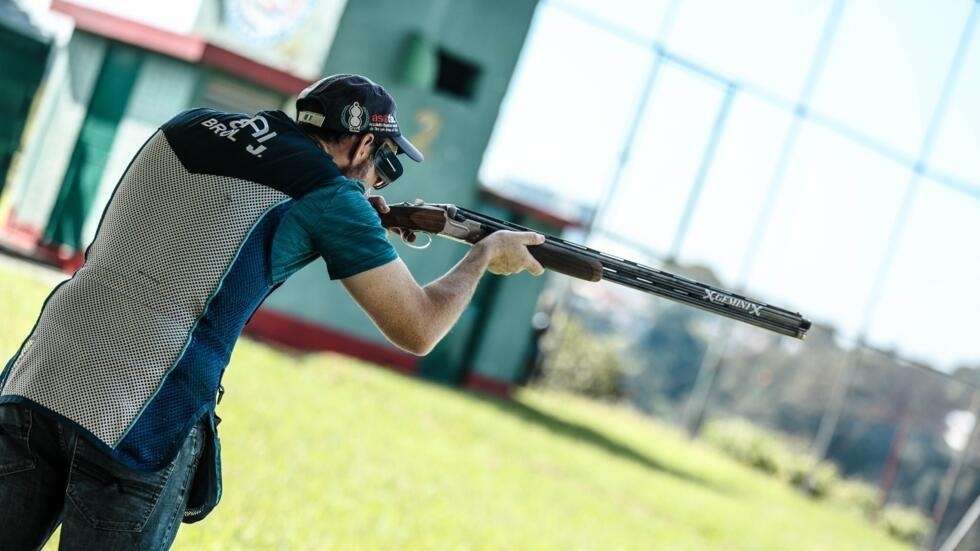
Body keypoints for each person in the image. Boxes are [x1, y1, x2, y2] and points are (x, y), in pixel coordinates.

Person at [0, 74, 543, 550]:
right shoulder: (331, 196)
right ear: (362, 145)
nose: (379, 180)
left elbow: (196, 228)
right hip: (141, 416)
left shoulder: (190, 125)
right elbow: (419, 329)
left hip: (42, 377)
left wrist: (352, 222)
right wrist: (482, 257)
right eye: (385, 163)